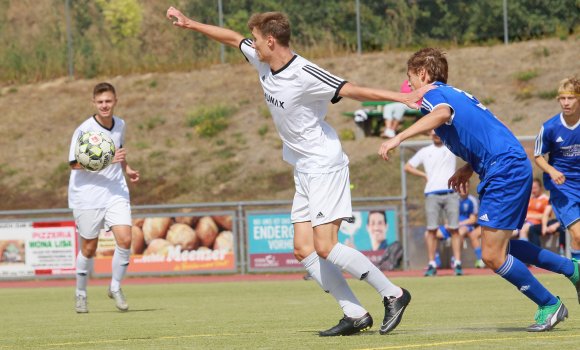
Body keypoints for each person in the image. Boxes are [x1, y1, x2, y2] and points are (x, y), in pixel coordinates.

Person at [166, 7, 431, 337]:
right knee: (303, 249)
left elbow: (351, 89)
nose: (253, 45)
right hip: (303, 168)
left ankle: (393, 294)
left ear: (272, 41)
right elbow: (233, 38)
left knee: (326, 246)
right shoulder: (261, 59)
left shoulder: (305, 72)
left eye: (259, 40)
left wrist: (401, 97)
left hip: (324, 164)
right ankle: (354, 312)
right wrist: (191, 24)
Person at [379, 48, 579, 332]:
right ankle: (573, 270)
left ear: (422, 74)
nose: (409, 88)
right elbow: (484, 131)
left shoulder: (434, 95)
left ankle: (549, 304)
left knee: (492, 255)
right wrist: (468, 167)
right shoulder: (455, 93)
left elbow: (442, 114)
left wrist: (398, 136)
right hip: (506, 165)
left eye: (410, 79)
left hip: (504, 169)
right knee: (501, 248)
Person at [69, 82, 140, 313]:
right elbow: (74, 163)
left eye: (108, 101)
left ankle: (115, 287)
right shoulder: (84, 130)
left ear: (115, 101)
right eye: (100, 102)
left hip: (115, 191)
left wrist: (126, 168)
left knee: (126, 239)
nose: (104, 105)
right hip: (87, 196)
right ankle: (80, 294)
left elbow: (118, 148)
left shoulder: (120, 124)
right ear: (94, 103)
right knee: (89, 248)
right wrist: (108, 160)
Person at [534, 77, 580, 263]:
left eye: (570, 98)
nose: (566, 103)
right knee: (578, 235)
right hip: (563, 188)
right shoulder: (550, 127)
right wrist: (552, 171)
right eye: (562, 98)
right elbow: (538, 156)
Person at [405, 130, 462, 276]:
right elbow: (408, 166)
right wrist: (424, 175)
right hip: (432, 193)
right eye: (434, 131)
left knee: (455, 228)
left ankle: (457, 262)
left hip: (451, 192)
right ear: (430, 134)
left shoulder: (451, 147)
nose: (436, 134)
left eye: (439, 131)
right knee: (431, 229)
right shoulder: (425, 151)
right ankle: (431, 263)